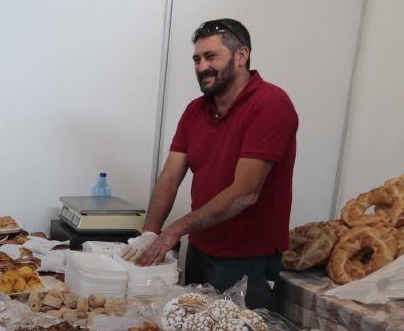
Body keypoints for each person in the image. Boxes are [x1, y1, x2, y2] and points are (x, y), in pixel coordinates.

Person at [127, 19, 298, 310]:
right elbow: (170, 177)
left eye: (211, 57)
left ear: (241, 56)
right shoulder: (195, 110)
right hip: (201, 251)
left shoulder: (271, 105)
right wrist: (150, 232)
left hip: (248, 259)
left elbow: (246, 192)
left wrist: (175, 230)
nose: (201, 67)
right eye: (197, 58)